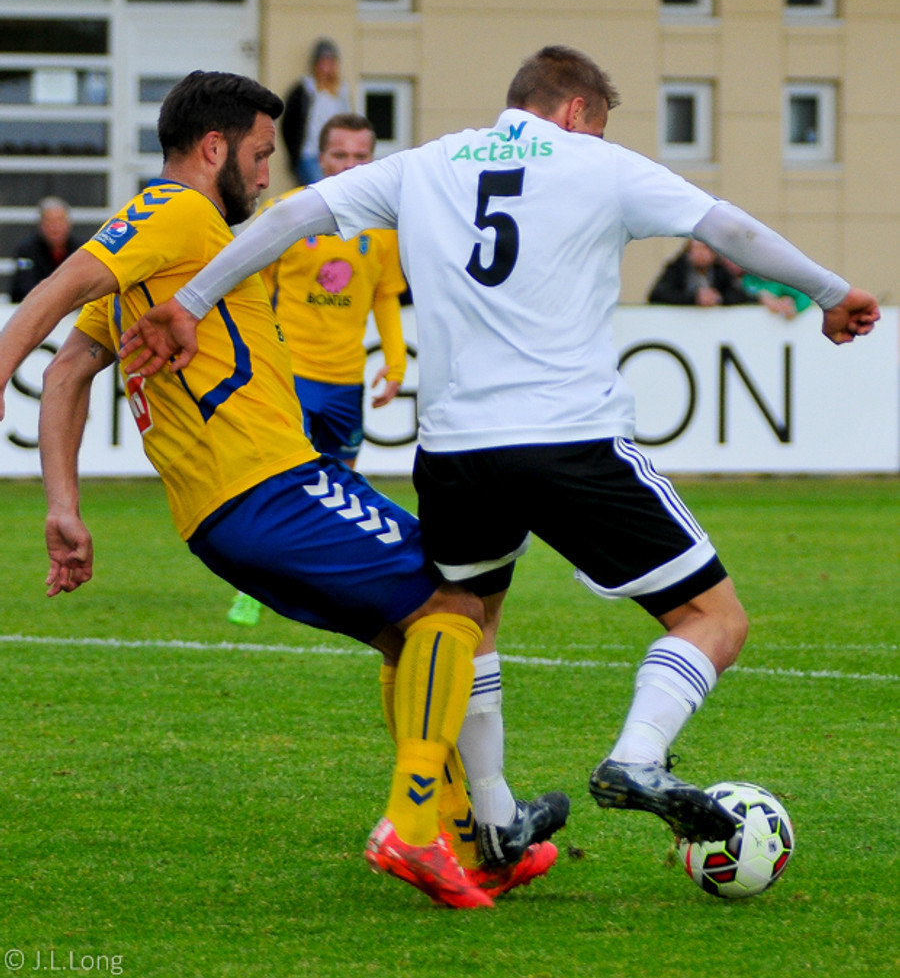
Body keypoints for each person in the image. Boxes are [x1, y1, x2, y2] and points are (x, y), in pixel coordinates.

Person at [117, 46, 880, 852]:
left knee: (470, 619)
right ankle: (638, 754)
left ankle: (494, 816)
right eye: (596, 123)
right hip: (569, 436)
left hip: (456, 452)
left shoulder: (426, 165)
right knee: (713, 617)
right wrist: (830, 292)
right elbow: (726, 227)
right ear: (576, 111)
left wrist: (191, 301)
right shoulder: (599, 164)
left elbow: (287, 219)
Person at [0, 70, 568, 910]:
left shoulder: (164, 254)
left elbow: (69, 373)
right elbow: (58, 290)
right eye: (261, 155)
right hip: (270, 484)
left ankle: (469, 840)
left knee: (409, 634)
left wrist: (63, 507)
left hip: (219, 517)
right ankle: (420, 826)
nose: (267, 175)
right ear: (214, 148)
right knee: (458, 601)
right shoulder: (175, 212)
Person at [226, 113, 408, 628]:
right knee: (283, 481)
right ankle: (252, 588)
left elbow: (385, 297)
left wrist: (395, 362)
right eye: (339, 155)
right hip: (291, 374)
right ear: (320, 158)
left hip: (346, 379)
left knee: (342, 485)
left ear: (372, 159)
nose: (349, 165)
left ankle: (334, 580)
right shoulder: (286, 212)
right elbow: (251, 286)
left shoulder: (384, 228)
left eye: (360, 156)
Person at [281, 39, 352, 185]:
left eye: (331, 62)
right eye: (323, 62)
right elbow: (288, 123)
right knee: (320, 189)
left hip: (334, 153)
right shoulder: (305, 89)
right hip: (309, 154)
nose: (327, 67)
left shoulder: (342, 90)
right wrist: (294, 154)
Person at [10, 196, 79, 302]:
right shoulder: (26, 251)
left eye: (59, 221)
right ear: (41, 225)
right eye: (49, 222)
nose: (55, 227)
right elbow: (24, 286)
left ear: (68, 224)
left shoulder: (80, 249)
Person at [647, 239, 752, 307]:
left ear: (713, 253)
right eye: (696, 248)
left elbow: (738, 294)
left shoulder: (720, 270)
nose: (700, 253)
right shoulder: (677, 269)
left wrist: (718, 297)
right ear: (688, 252)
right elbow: (657, 295)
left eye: (705, 249)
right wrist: (694, 299)